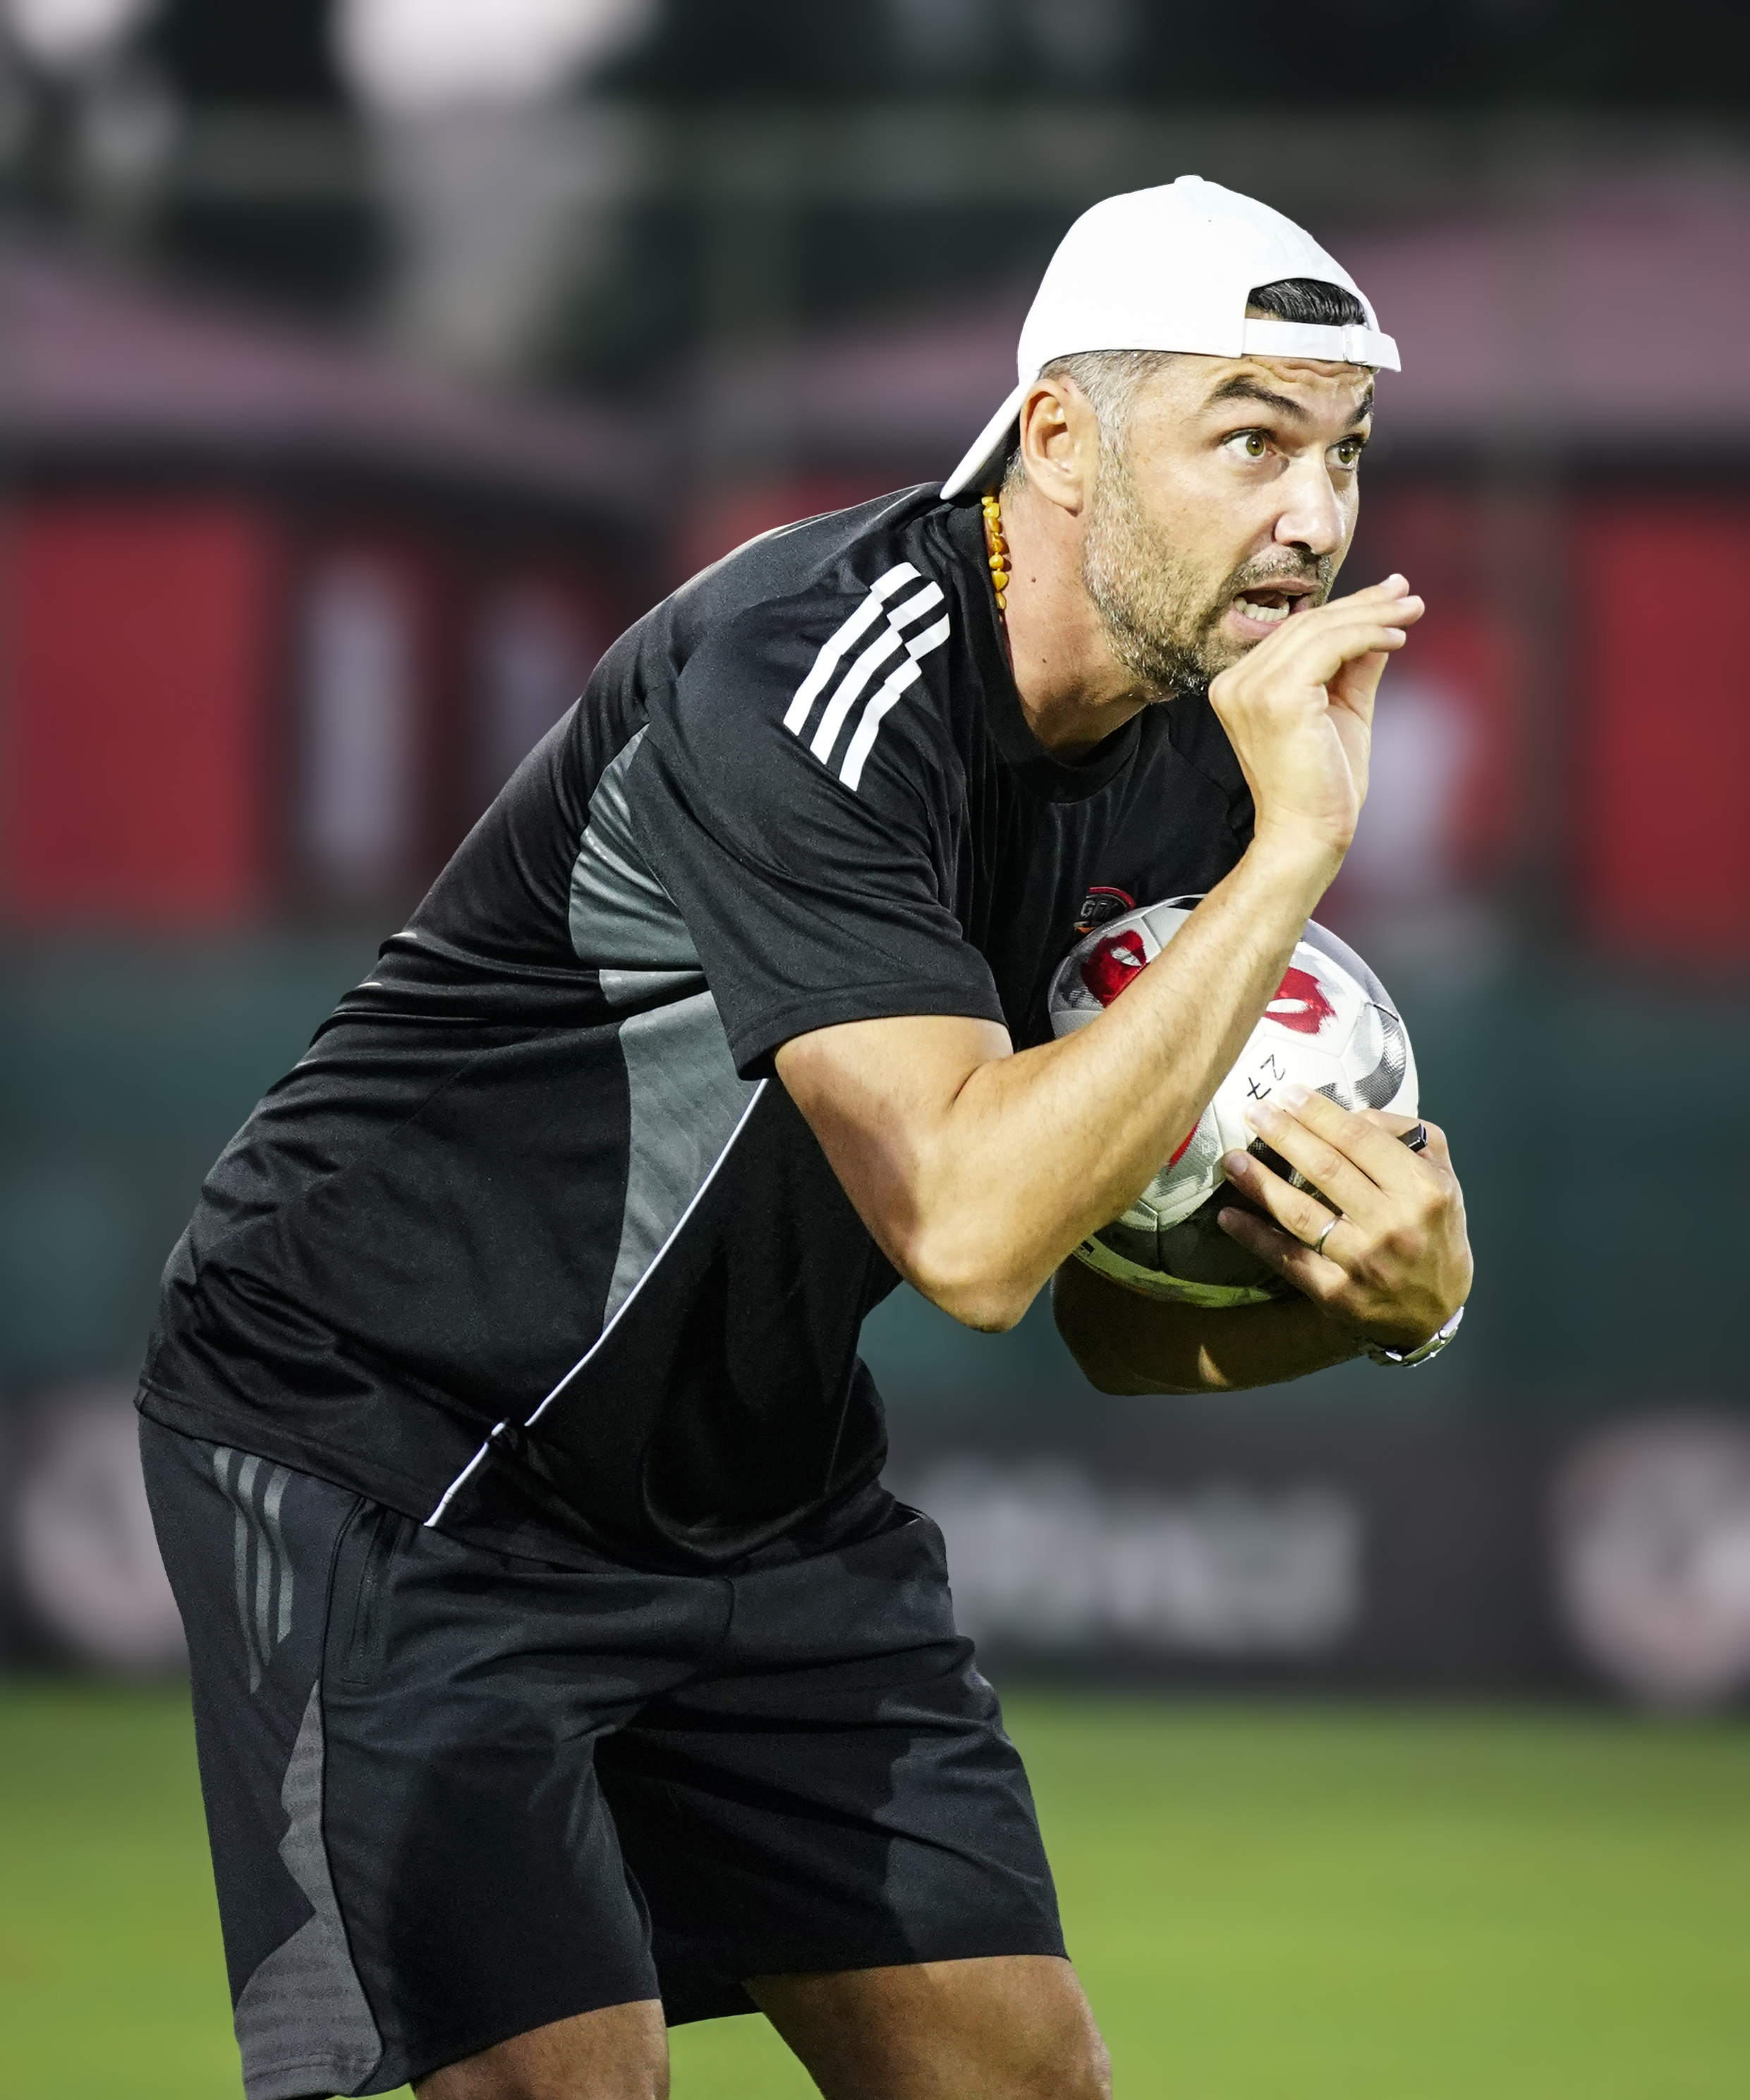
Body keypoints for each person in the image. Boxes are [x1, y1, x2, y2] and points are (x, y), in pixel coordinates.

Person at [138, 175, 1473, 2100]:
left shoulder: (1202, 759)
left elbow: (1104, 1313)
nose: (1315, 519)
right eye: (1250, 441)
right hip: (395, 1435)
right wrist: (1293, 858)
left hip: (748, 1489)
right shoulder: (807, 676)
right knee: (572, 2087)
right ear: (1059, 441)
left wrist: (1383, 1307)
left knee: (1021, 2082)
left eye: (1343, 453)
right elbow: (972, 1232)